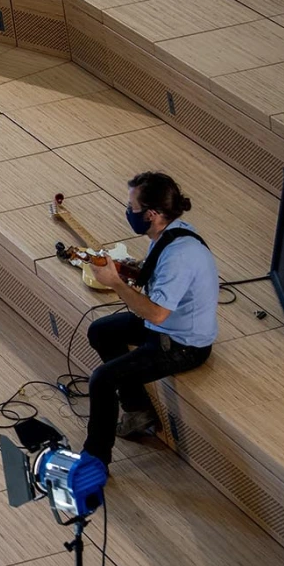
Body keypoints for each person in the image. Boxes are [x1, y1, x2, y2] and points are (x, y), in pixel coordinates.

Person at [83, 171, 218, 466]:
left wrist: (115, 283)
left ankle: (95, 459)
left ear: (152, 214)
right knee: (100, 331)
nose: (127, 212)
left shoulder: (180, 256)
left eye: (132, 208)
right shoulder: (171, 232)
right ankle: (137, 410)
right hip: (165, 327)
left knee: (102, 380)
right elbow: (156, 276)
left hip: (182, 345)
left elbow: (156, 311)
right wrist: (126, 270)